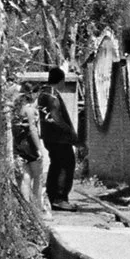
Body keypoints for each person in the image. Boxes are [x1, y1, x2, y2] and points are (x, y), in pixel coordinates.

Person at [39, 79, 78, 208]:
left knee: (56, 164)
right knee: (66, 164)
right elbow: (56, 117)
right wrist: (70, 133)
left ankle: (52, 197)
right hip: (60, 138)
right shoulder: (52, 95)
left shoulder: (43, 94)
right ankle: (60, 198)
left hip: (50, 138)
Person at [12, 94, 47, 218]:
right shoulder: (30, 110)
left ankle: (26, 210)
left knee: (25, 178)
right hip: (30, 147)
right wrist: (39, 148)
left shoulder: (15, 112)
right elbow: (33, 130)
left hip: (19, 146)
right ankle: (37, 208)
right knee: (38, 178)